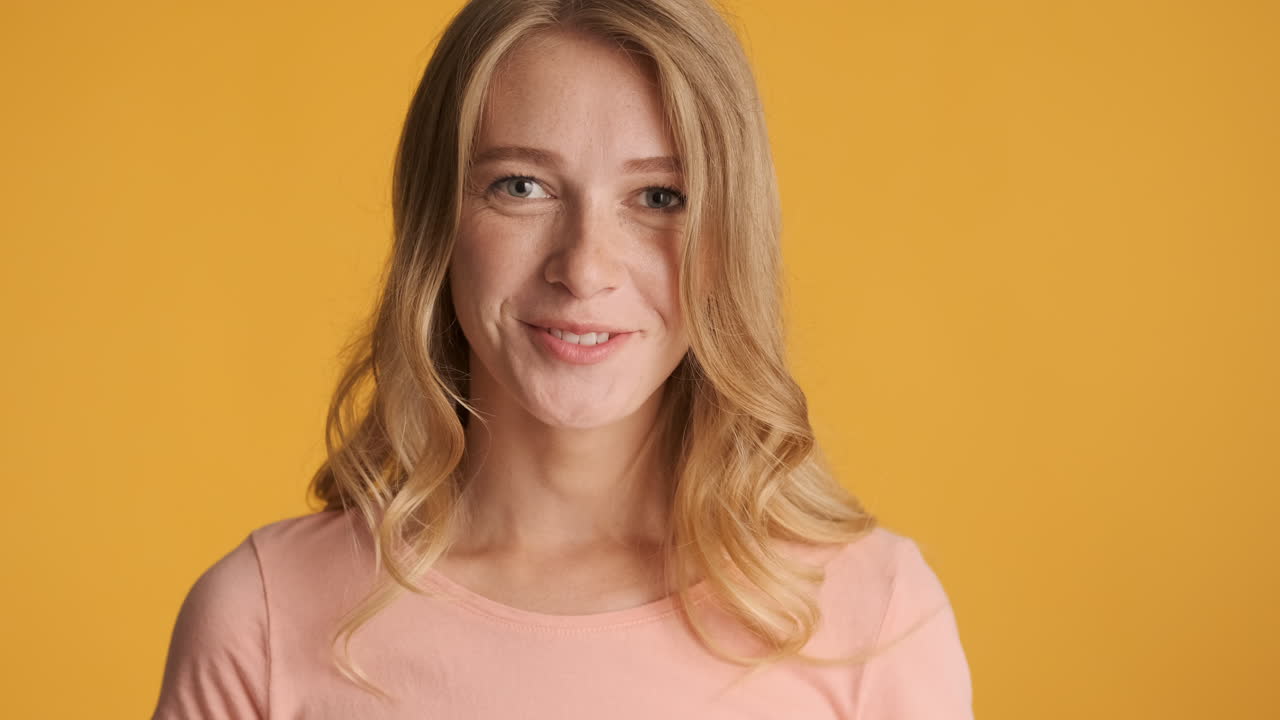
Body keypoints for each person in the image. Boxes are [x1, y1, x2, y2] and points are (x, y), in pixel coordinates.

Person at [150, 1, 973, 717]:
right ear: (437, 221)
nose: (584, 268)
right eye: (521, 186)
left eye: (659, 198)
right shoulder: (260, 616)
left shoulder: (872, 617)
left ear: (733, 239)